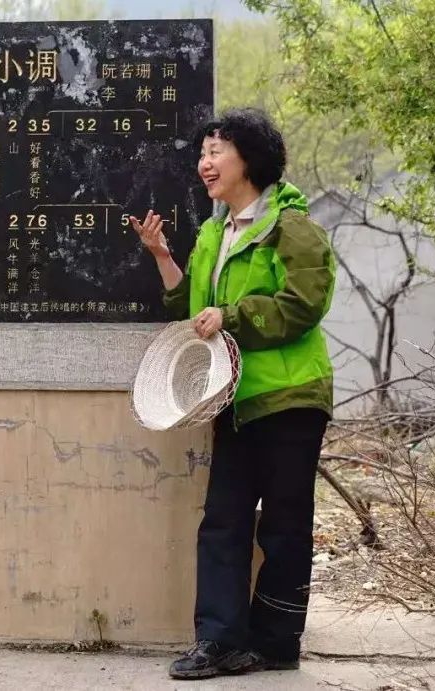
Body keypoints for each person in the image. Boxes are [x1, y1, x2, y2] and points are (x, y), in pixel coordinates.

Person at [130, 108, 335, 680]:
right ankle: (219, 642)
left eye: (217, 150)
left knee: (285, 525)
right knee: (223, 519)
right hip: (234, 399)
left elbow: (303, 304)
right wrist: (163, 256)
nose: (205, 162)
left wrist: (234, 316)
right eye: (203, 152)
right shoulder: (214, 232)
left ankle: (276, 642)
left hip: (291, 396)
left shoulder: (291, 226)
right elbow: (192, 313)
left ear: (250, 158)